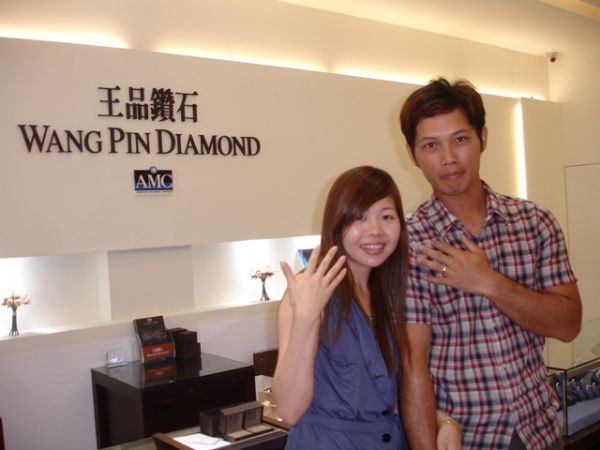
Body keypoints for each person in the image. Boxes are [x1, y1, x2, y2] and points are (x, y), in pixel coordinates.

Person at [398, 77, 582, 450]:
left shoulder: (534, 222)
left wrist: (488, 282)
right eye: (431, 145)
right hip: (464, 439)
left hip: (539, 431)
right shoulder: (409, 244)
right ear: (412, 154)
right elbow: (413, 367)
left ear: (483, 137)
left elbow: (568, 325)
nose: (448, 158)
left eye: (460, 139)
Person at [272, 166, 412, 450]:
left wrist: (443, 421)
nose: (375, 231)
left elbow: (393, 394)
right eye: (359, 217)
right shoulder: (309, 290)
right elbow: (289, 409)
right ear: (337, 223)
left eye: (386, 217)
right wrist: (306, 319)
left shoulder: (391, 291)